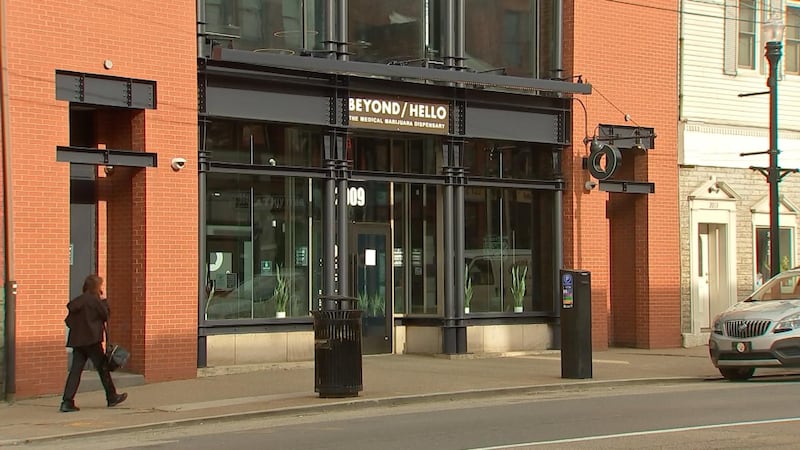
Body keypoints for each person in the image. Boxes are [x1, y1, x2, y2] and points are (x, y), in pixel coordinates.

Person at [60, 274, 127, 412]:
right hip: (92, 340)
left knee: (75, 371)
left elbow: (69, 321)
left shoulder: (78, 301)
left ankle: (67, 401)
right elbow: (105, 315)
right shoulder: (95, 301)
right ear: (97, 287)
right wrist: (104, 300)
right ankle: (112, 397)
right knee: (103, 368)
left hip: (78, 341)